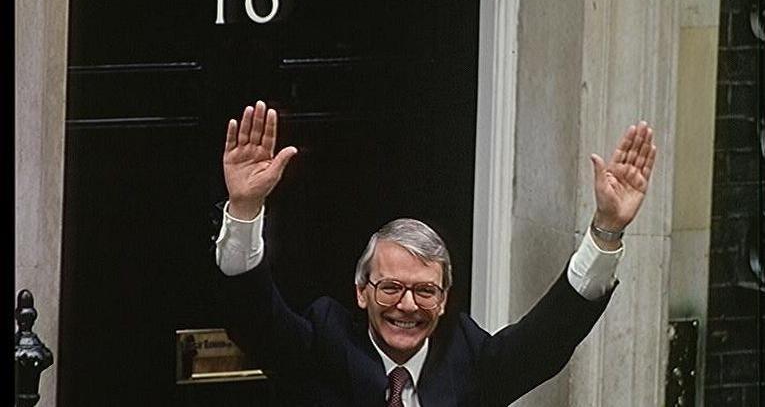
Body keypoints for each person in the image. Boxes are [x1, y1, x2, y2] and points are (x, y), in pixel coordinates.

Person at [213, 101, 657, 406]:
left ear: (443, 300)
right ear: (361, 292)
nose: (407, 305)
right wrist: (246, 209)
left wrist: (607, 230)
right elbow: (253, 317)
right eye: (390, 287)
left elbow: (551, 336)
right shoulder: (325, 343)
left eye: (425, 290)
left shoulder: (469, 358)